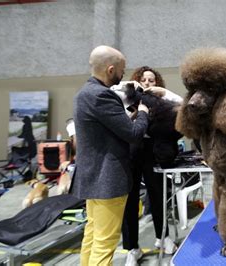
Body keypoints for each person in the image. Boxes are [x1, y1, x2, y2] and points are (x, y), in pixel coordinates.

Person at [71, 45, 149, 266]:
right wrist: (143, 113)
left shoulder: (84, 93)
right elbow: (134, 134)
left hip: (91, 178)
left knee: (93, 236)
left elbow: (109, 128)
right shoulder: (102, 96)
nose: (124, 74)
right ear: (111, 69)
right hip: (108, 180)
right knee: (105, 244)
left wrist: (129, 116)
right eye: (122, 70)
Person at [121, 66, 180, 266]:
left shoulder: (162, 101)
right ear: (137, 81)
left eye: (152, 80)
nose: (147, 83)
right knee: (130, 200)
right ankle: (132, 248)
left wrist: (164, 93)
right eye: (143, 79)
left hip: (154, 152)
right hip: (131, 152)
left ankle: (162, 237)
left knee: (158, 196)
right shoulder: (126, 100)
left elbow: (183, 104)